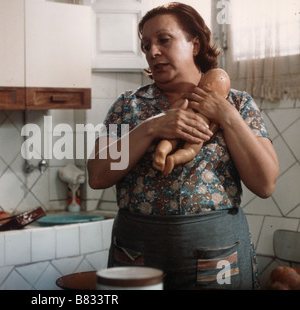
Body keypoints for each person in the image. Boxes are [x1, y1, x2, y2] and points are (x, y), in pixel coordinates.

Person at [88, 2, 279, 290]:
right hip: (136, 251)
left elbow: (265, 184)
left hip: (217, 251)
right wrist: (152, 127)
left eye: (164, 40)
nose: (153, 52)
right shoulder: (127, 106)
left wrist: (227, 116)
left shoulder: (238, 103)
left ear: (195, 43)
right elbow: (98, 175)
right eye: (146, 45)